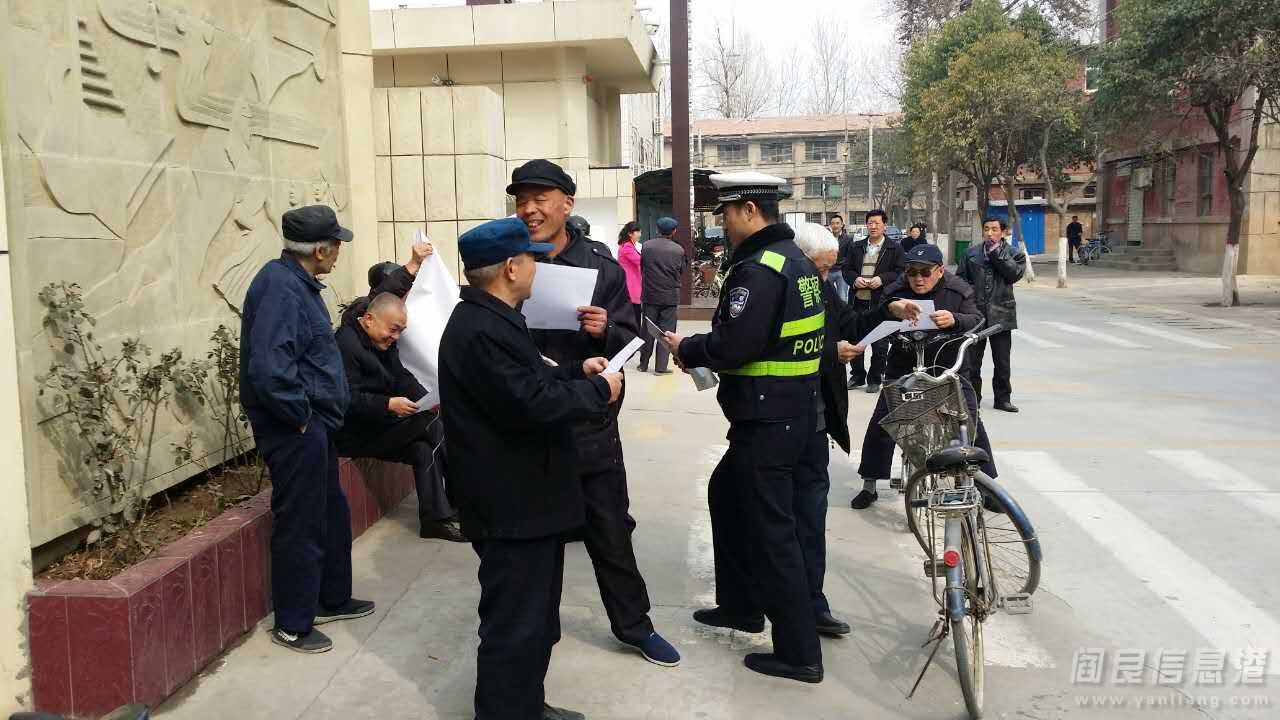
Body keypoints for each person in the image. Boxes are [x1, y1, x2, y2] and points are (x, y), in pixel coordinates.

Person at [439, 217, 624, 720]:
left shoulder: (497, 318)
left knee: (537, 619)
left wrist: (576, 371)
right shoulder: (480, 329)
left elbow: (527, 380)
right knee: (515, 623)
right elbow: (529, 404)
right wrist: (597, 390)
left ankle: (525, 705)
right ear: (511, 267)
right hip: (511, 505)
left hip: (529, 501)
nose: (539, 269)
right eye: (532, 260)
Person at [509, 160, 680, 668]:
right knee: (535, 544)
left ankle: (635, 626)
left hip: (587, 425)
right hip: (530, 423)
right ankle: (536, 636)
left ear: (567, 204)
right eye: (521, 200)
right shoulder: (510, 261)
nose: (529, 209)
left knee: (610, 533)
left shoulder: (601, 267)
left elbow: (631, 341)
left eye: (540, 199)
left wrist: (606, 330)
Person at [668, 171, 825, 683]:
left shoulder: (758, 269)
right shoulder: (795, 259)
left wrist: (689, 348)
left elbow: (736, 345)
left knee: (773, 533)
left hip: (767, 418)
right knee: (727, 494)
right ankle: (740, 606)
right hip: (791, 412)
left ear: (750, 210)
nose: (725, 224)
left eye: (728, 214)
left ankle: (799, 653)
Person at [240, 205, 374, 654]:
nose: (339, 251)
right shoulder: (280, 288)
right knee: (301, 523)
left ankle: (330, 598)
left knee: (331, 513)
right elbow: (269, 368)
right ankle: (293, 623)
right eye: (336, 244)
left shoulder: (297, 283)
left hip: (312, 425)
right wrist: (300, 416)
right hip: (294, 428)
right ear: (320, 249)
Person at [848, 244, 999, 510]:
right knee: (883, 421)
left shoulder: (958, 290)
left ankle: (988, 486)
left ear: (940, 270)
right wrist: (891, 308)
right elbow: (877, 315)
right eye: (912, 272)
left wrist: (955, 319)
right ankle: (870, 483)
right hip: (904, 365)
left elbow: (977, 319)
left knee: (969, 420)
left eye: (925, 272)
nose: (918, 279)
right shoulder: (896, 290)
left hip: (947, 367)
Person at [333, 290, 465, 542]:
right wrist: (388, 404)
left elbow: (401, 378)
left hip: (380, 425)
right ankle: (468, 503)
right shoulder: (345, 345)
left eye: (400, 332)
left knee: (423, 449)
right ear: (369, 319)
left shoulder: (382, 343)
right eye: (393, 330)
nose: (395, 337)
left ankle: (434, 520)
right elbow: (346, 399)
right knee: (434, 426)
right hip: (354, 434)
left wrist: (428, 399)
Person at [790, 222, 863, 637]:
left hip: (816, 423)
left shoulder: (820, 289)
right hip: (780, 421)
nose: (825, 276)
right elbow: (775, 348)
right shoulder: (781, 288)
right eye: (820, 267)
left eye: (830, 268)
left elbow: (851, 321)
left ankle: (812, 603)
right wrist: (829, 352)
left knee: (811, 516)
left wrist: (889, 311)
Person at [956, 217, 1026, 413]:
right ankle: (972, 398)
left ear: (1002, 232)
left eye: (994, 229)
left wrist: (996, 253)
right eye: (986, 229)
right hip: (975, 314)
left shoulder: (1014, 254)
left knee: (1002, 360)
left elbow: (1014, 274)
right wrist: (970, 297)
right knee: (972, 361)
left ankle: (1002, 399)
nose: (989, 233)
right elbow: (960, 280)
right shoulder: (970, 253)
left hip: (1001, 314)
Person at [841, 209, 904, 393]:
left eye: (877, 223)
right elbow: (846, 269)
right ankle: (857, 375)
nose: (873, 226)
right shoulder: (856, 247)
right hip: (858, 301)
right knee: (856, 339)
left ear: (885, 226)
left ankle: (875, 378)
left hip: (881, 303)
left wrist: (882, 279)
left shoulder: (894, 248)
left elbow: (900, 271)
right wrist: (854, 279)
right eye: (870, 223)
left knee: (880, 343)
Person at [638, 216, 686, 374]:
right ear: (674, 231)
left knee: (647, 331)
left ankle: (643, 364)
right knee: (666, 333)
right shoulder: (678, 250)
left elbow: (642, 267)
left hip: (650, 295)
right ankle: (660, 367)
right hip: (670, 297)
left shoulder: (646, 246)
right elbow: (682, 270)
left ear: (657, 230)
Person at [616, 220, 644, 328]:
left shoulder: (629, 246)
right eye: (638, 231)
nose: (640, 234)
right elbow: (640, 261)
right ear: (630, 233)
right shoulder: (627, 247)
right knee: (635, 318)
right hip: (631, 286)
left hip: (632, 285)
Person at [828, 214, 853, 302]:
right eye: (833, 223)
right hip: (828, 271)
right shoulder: (827, 238)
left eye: (837, 223)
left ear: (842, 224)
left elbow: (850, 255)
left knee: (842, 297)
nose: (835, 225)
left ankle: (843, 311)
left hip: (841, 271)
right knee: (828, 297)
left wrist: (844, 265)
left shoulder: (848, 238)